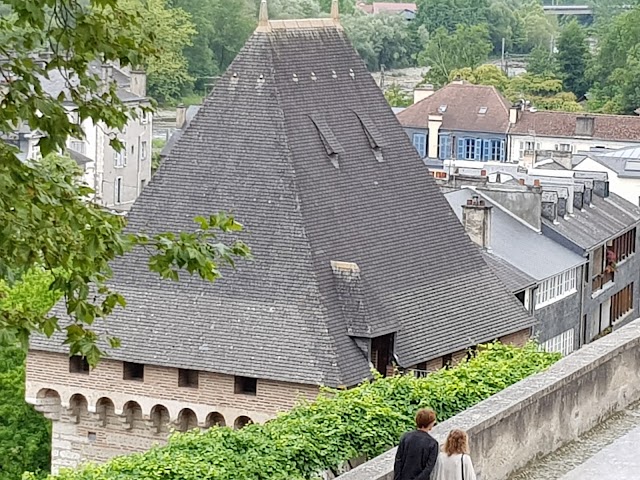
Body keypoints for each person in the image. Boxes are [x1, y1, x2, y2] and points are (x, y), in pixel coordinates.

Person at [393, 408, 439, 480]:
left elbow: (398, 461)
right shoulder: (432, 444)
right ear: (430, 424)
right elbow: (428, 469)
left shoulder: (405, 437)